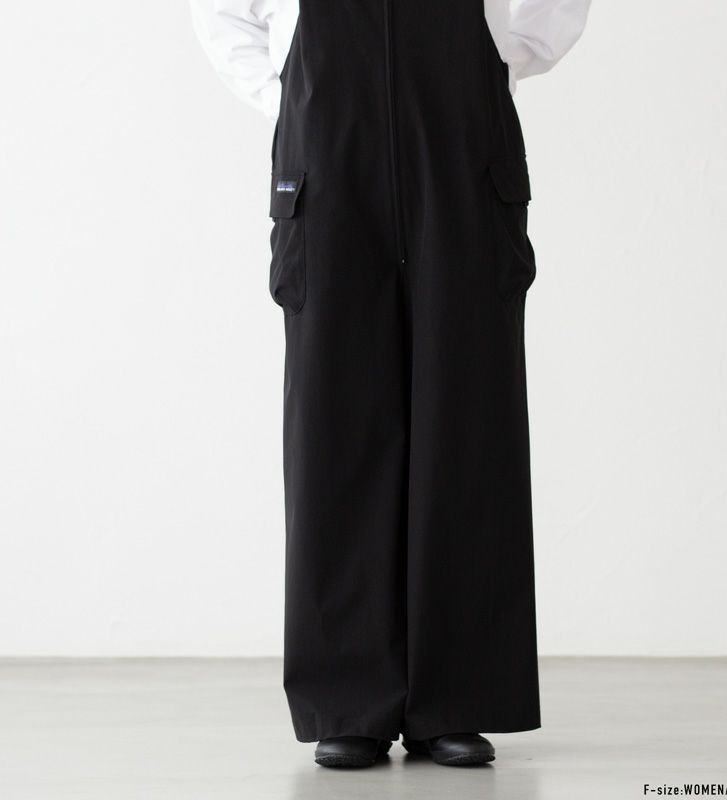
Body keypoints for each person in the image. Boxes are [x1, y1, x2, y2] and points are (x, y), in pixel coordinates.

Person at [190, 0, 591, 769]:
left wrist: (499, 57)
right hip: (326, 153)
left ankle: (458, 699)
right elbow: (220, 12)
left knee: (467, 420)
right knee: (335, 427)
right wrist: (288, 91)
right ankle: (349, 700)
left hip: (462, 148)